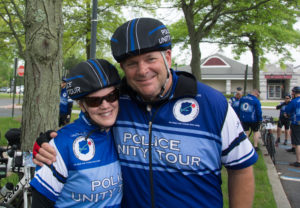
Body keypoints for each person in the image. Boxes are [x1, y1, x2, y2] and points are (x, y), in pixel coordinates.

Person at [33, 18, 258, 208]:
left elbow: (240, 169)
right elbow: (87, 127)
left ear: (167, 57)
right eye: (132, 63)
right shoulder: (115, 101)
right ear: (123, 68)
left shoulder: (212, 104)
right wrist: (49, 143)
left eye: (151, 59)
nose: (142, 70)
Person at [30, 59, 123, 207]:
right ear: (82, 105)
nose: (106, 106)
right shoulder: (61, 144)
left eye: (112, 96)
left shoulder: (121, 131)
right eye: (94, 101)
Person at [285, 86, 300, 167]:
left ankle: (298, 161)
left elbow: (287, 110)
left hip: (296, 123)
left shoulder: (294, 101)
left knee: (297, 143)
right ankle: (294, 149)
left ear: (294, 93)